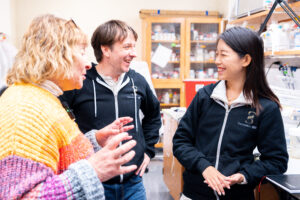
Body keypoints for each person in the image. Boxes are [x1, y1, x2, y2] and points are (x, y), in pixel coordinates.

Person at [0, 14, 138, 199]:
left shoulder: (42, 98)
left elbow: (59, 156)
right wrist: (92, 171)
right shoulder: (25, 110)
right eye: (81, 52)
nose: (88, 63)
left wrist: (94, 140)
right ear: (56, 54)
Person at [173, 27, 288, 200]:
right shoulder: (205, 96)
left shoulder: (265, 107)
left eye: (224, 55)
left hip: (237, 195)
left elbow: (276, 161)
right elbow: (181, 142)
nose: (217, 60)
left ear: (246, 60)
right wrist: (205, 167)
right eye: (216, 54)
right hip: (194, 194)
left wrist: (244, 176)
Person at [59, 20, 161, 200]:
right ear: (106, 50)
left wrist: (148, 151)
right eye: (127, 47)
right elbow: (62, 116)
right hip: (95, 183)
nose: (133, 53)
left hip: (133, 183)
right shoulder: (80, 82)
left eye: (134, 47)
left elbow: (153, 115)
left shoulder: (137, 82)